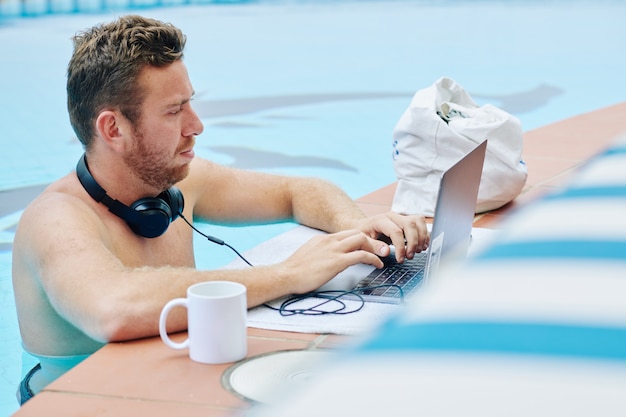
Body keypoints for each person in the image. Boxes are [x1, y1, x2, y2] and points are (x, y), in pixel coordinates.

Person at [11, 15, 429, 405]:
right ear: (113, 129)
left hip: (170, 387)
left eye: (189, 103)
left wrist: (358, 228)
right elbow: (114, 309)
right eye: (174, 111)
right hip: (82, 403)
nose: (196, 125)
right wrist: (287, 276)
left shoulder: (177, 183)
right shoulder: (58, 219)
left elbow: (297, 191)